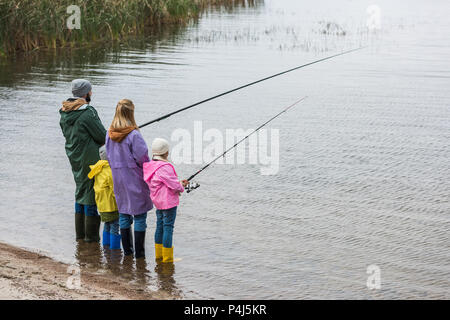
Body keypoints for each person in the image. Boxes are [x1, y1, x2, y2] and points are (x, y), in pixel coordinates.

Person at [60, 79, 106, 242]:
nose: (91, 93)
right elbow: (102, 136)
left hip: (74, 155)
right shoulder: (87, 112)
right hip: (89, 158)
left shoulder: (64, 111)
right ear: (86, 93)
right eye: (90, 90)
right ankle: (91, 238)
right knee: (91, 194)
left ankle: (80, 236)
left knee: (80, 190)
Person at [105, 99, 153, 258]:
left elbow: (109, 156)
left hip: (118, 178)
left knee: (124, 214)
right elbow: (143, 159)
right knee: (139, 215)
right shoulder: (134, 135)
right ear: (131, 113)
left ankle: (128, 253)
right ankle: (139, 255)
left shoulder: (109, 134)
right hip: (134, 178)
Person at [143, 138, 188, 263]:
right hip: (168, 202)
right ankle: (167, 258)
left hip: (158, 201)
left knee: (160, 226)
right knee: (168, 227)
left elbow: (164, 182)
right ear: (166, 152)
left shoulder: (150, 166)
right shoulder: (165, 167)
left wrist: (178, 183)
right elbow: (174, 185)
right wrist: (181, 186)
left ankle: (159, 255)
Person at [87, 146, 121, 250]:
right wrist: (122, 201)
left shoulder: (98, 168)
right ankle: (115, 250)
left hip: (101, 205)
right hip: (111, 205)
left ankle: (106, 247)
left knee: (107, 225)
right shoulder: (110, 171)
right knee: (115, 226)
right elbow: (115, 190)